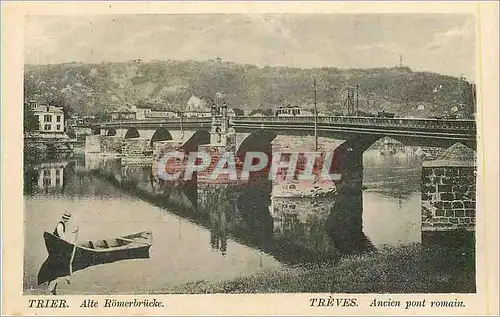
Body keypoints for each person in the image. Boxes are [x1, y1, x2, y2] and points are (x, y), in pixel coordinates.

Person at [47, 212, 78, 295]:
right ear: (63, 218)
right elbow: (62, 237)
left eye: (67, 219)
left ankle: (53, 289)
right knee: (58, 268)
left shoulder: (62, 224)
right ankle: (52, 289)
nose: (66, 220)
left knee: (57, 269)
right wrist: (71, 242)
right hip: (56, 250)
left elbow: (63, 237)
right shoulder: (60, 225)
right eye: (65, 218)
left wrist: (70, 240)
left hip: (58, 249)